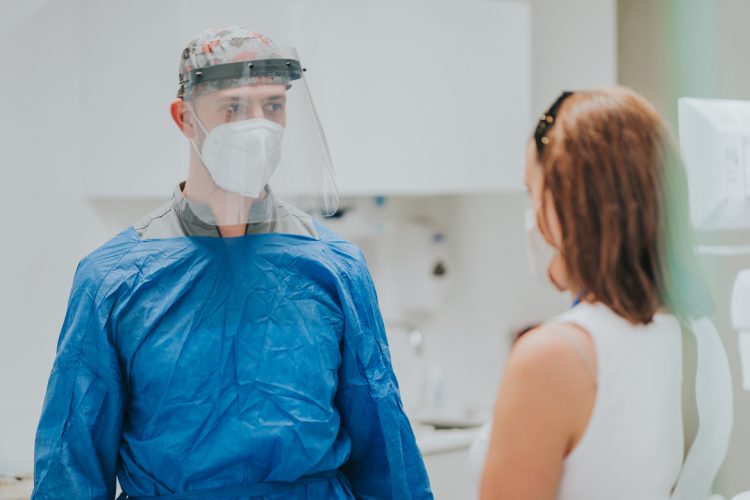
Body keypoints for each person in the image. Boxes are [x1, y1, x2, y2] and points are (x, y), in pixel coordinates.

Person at [32, 26, 432, 499]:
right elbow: (71, 465)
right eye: (234, 108)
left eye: (273, 106)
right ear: (184, 118)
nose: (258, 127)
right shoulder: (115, 278)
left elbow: (387, 454)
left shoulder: (334, 267)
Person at [479, 87, 714, 499]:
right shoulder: (692, 337)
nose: (531, 218)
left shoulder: (552, 357)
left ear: (568, 202)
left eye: (532, 193)